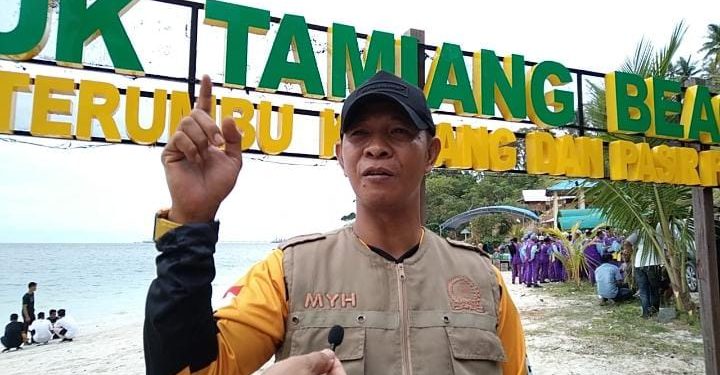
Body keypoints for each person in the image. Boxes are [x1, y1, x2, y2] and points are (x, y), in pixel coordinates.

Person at [144, 71, 529, 375]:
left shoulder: (483, 279)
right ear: (341, 155)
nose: (376, 146)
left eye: (398, 131)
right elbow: (192, 370)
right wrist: (191, 222)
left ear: (431, 152)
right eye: (359, 133)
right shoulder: (289, 273)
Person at [627, 231, 662, 318]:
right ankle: (654, 311)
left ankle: (646, 313)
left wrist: (632, 253)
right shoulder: (658, 229)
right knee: (654, 289)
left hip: (639, 264)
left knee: (643, 290)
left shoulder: (639, 231)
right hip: (653, 263)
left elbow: (626, 243)